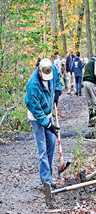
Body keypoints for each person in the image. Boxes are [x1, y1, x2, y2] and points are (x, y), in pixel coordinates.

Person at [25, 58, 62, 190]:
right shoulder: (32, 85)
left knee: (51, 144)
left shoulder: (52, 70)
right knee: (42, 149)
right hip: (36, 118)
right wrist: (48, 125)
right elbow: (36, 109)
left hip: (48, 114)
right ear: (39, 71)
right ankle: (46, 180)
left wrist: (57, 92)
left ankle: (49, 176)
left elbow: (58, 81)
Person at [83, 53, 96, 127]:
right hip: (91, 83)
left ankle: (91, 122)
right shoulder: (95, 62)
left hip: (85, 83)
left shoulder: (87, 63)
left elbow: (84, 73)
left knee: (89, 103)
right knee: (95, 102)